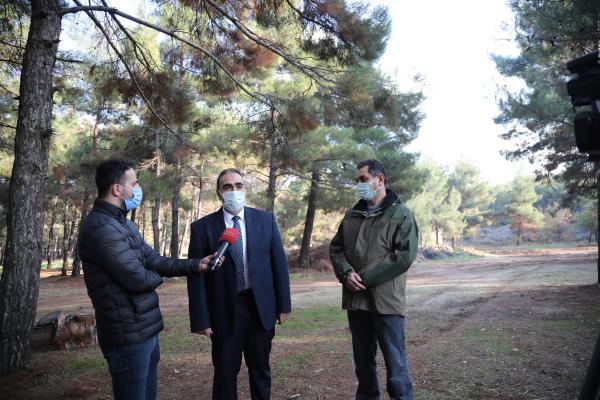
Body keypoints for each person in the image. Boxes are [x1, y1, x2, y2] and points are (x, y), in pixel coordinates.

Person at [78, 158, 221, 400]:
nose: (137, 189)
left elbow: (153, 260)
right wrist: (156, 277)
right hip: (126, 335)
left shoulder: (123, 224)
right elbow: (137, 278)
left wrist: (197, 264)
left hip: (143, 329)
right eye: (134, 183)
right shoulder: (100, 227)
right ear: (117, 189)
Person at [187, 168, 291, 400]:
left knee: (261, 371)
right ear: (219, 193)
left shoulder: (266, 220)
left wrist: (284, 305)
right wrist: (201, 319)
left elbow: (279, 266)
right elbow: (196, 278)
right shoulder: (202, 228)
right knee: (224, 374)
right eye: (228, 187)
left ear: (245, 189)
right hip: (223, 311)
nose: (234, 191)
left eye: (239, 186)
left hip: (260, 309)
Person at [329, 159, 419, 400]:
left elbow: (404, 257)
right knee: (363, 365)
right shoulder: (351, 215)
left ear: (380, 180)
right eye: (356, 180)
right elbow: (336, 249)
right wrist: (346, 273)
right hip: (357, 302)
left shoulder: (401, 214)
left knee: (396, 366)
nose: (358, 184)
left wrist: (365, 279)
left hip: (386, 302)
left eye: (363, 179)